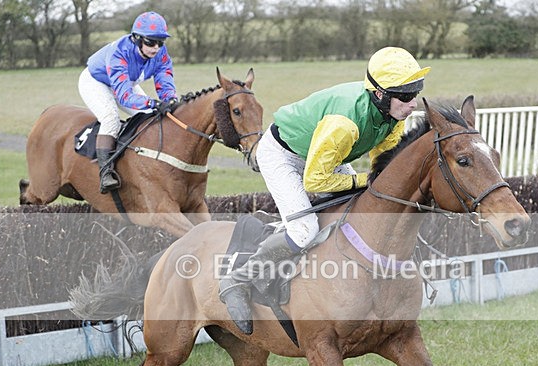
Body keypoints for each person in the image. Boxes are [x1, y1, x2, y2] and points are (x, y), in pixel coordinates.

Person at [220, 46, 430, 334]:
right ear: (380, 94)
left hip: (324, 153)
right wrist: (363, 181)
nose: (413, 104)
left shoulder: (394, 114)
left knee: (363, 206)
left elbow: (382, 165)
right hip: (283, 154)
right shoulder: (343, 124)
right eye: (406, 96)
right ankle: (239, 279)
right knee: (304, 230)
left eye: (416, 93)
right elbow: (316, 181)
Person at [78, 11, 179, 193]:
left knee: (151, 117)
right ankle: (106, 172)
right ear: (136, 38)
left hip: (124, 82)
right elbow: (124, 96)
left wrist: (169, 98)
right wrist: (153, 103)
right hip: (96, 81)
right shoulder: (120, 52)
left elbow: (164, 77)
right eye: (150, 42)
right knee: (110, 118)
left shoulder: (160, 53)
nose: (156, 47)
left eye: (160, 42)